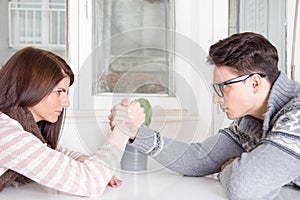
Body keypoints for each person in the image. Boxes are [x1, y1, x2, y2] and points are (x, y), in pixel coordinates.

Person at [109, 32, 300, 200]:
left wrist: (228, 169)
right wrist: (135, 132)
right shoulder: (249, 123)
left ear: (255, 84)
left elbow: (242, 187)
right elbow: (198, 159)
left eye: (223, 88)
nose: (216, 99)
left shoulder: (295, 116)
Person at [0, 47, 145, 197]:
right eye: (59, 92)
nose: (66, 103)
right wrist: (123, 129)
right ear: (29, 87)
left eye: (66, 92)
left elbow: (61, 154)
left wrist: (98, 169)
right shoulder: (7, 134)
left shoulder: (22, 129)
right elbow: (91, 183)